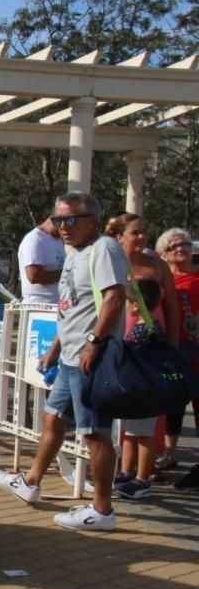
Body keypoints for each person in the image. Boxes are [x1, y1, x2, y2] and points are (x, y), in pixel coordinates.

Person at [0, 191, 125, 531]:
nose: (62, 226)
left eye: (70, 219)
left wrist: (94, 343)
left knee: (95, 433)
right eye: (57, 219)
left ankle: (102, 510)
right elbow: (71, 308)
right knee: (52, 417)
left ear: (92, 221)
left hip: (91, 358)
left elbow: (114, 298)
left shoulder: (104, 249)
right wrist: (55, 347)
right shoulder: (75, 253)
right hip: (70, 356)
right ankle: (32, 481)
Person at [106, 214, 179, 495]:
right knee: (125, 411)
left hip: (151, 344)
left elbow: (172, 306)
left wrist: (171, 347)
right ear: (119, 236)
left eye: (144, 231)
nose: (142, 237)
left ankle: (143, 473)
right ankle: (125, 470)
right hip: (120, 342)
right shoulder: (111, 263)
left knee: (147, 416)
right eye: (135, 232)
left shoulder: (159, 265)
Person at [112, 277, 164, 499]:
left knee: (143, 436)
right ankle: (125, 471)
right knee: (131, 434)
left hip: (146, 392)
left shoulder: (144, 331)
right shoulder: (149, 328)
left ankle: (142, 478)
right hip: (137, 392)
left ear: (135, 305)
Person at [156, 228, 199, 490]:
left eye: (184, 244)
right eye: (172, 247)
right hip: (172, 353)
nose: (180, 249)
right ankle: (169, 454)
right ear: (164, 254)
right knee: (172, 404)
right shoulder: (163, 283)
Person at [18, 214, 65, 303]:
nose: (68, 230)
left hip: (56, 306)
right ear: (55, 221)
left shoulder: (58, 240)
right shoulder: (34, 239)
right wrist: (66, 274)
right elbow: (33, 276)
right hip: (38, 308)